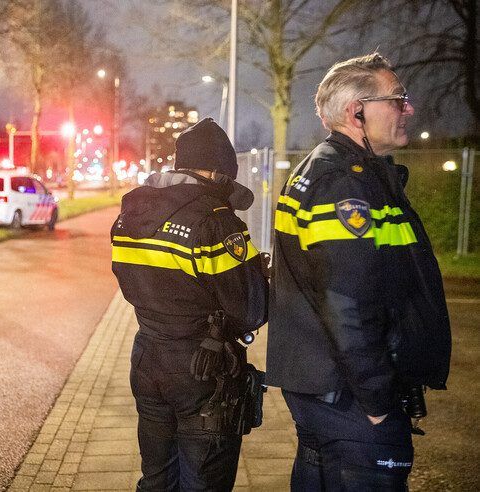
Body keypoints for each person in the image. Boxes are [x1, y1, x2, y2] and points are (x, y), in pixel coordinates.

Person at [266, 53, 452, 490]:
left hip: (334, 394)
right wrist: (377, 400)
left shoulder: (348, 171)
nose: (408, 109)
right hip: (350, 400)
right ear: (357, 112)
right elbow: (346, 298)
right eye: (397, 99)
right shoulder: (343, 182)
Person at [111, 118, 269, 491]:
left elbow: (126, 278)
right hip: (202, 370)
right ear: (216, 171)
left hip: (147, 357)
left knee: (157, 479)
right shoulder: (216, 222)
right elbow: (250, 310)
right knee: (202, 482)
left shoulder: (130, 214)